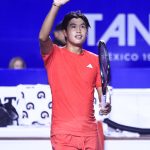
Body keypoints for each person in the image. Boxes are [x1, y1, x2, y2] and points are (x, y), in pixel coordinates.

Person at [39, 0, 111, 149]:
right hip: (63, 134)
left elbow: (102, 93)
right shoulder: (53, 54)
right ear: (65, 32)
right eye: (73, 27)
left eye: (83, 27)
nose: (79, 30)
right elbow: (42, 37)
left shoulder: (95, 60)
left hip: (90, 133)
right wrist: (56, 5)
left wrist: (106, 105)